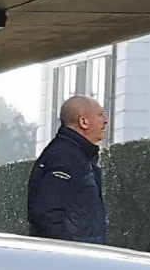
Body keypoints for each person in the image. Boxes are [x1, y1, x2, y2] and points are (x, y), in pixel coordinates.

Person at [25, 96, 108, 243]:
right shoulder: (66, 158)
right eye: (100, 115)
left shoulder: (74, 155)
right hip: (72, 261)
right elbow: (46, 215)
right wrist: (74, 252)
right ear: (83, 122)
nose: (106, 121)